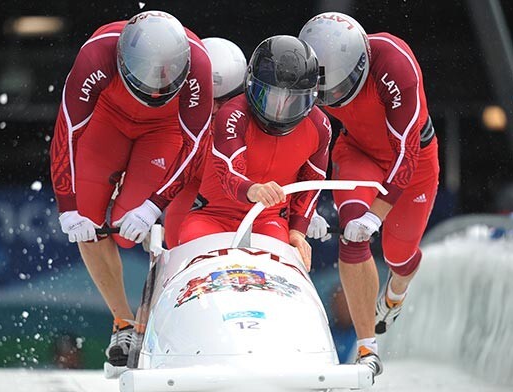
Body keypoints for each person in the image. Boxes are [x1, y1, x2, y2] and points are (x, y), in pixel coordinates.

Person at [50, 10, 213, 367]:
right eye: (146, 81)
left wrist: (153, 206)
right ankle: (123, 321)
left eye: (164, 82)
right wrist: (67, 205)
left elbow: (194, 147)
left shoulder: (198, 63)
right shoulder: (96, 54)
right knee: (88, 222)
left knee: (127, 231)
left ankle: (151, 321)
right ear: (122, 61)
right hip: (108, 120)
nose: (154, 90)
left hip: (164, 130)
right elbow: (67, 133)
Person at [299, 12, 439, 377]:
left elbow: (406, 154)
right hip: (358, 153)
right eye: (327, 93)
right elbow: (301, 139)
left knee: (398, 254)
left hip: (412, 163)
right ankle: (368, 348)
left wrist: (376, 216)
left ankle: (397, 291)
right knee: (351, 234)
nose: (334, 100)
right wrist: (304, 208)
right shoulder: (302, 66)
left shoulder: (395, 64)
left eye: (342, 90)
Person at [178, 35, 332, 271]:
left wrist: (297, 231)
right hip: (212, 216)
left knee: (278, 270)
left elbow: (312, 180)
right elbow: (228, 172)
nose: (279, 110)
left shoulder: (319, 127)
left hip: (268, 220)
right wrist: (255, 190)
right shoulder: (232, 113)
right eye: (269, 96)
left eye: (292, 101)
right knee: (194, 252)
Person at [163, 37, 247, 248]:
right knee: (175, 240)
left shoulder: (249, 118)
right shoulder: (169, 110)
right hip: (187, 184)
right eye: (208, 100)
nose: (214, 110)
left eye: (224, 101)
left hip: (229, 192)